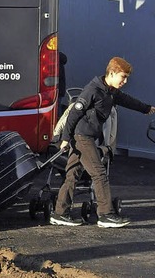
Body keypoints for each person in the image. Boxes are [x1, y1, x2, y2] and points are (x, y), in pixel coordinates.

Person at [51, 56, 155, 228]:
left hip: (86, 136)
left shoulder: (111, 91)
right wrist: (64, 139)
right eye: (123, 77)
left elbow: (128, 100)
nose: (125, 81)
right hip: (82, 137)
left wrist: (147, 109)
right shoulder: (93, 90)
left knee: (72, 174)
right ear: (112, 73)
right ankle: (106, 215)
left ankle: (60, 213)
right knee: (99, 173)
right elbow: (73, 114)